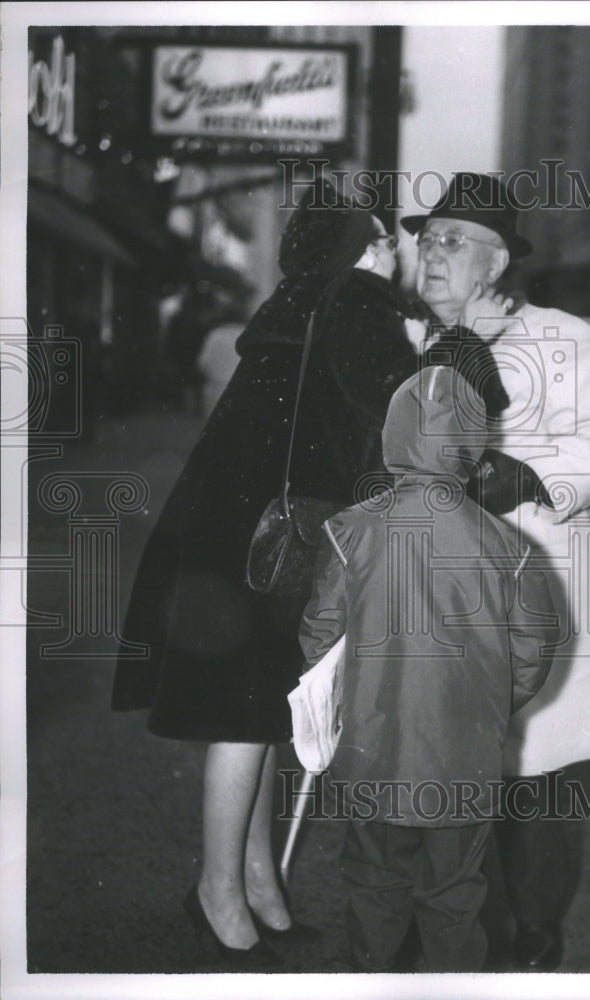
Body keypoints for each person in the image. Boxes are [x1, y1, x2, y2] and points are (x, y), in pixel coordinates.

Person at [111, 180, 426, 969]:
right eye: (385, 238)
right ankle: (219, 891)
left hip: (233, 536)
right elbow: (406, 415)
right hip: (271, 547)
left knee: (251, 715)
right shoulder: (358, 300)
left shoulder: (295, 302)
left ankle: (255, 883)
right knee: (247, 718)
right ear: (362, 245)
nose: (396, 251)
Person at [401, 172, 590, 971]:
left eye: (451, 242)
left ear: (497, 262)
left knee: (531, 777)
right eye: (424, 239)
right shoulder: (399, 342)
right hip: (426, 599)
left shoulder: (560, 337)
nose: (431, 256)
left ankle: (536, 944)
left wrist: (525, 474)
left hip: (528, 591)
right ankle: (435, 938)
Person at [298, 365, 559, 972]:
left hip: (372, 753)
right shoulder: (511, 547)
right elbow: (532, 653)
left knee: (374, 884)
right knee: (455, 896)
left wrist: (351, 699)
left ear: (392, 437)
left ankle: (374, 977)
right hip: (464, 759)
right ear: (472, 448)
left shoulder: (348, 532)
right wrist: (487, 703)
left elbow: (318, 638)